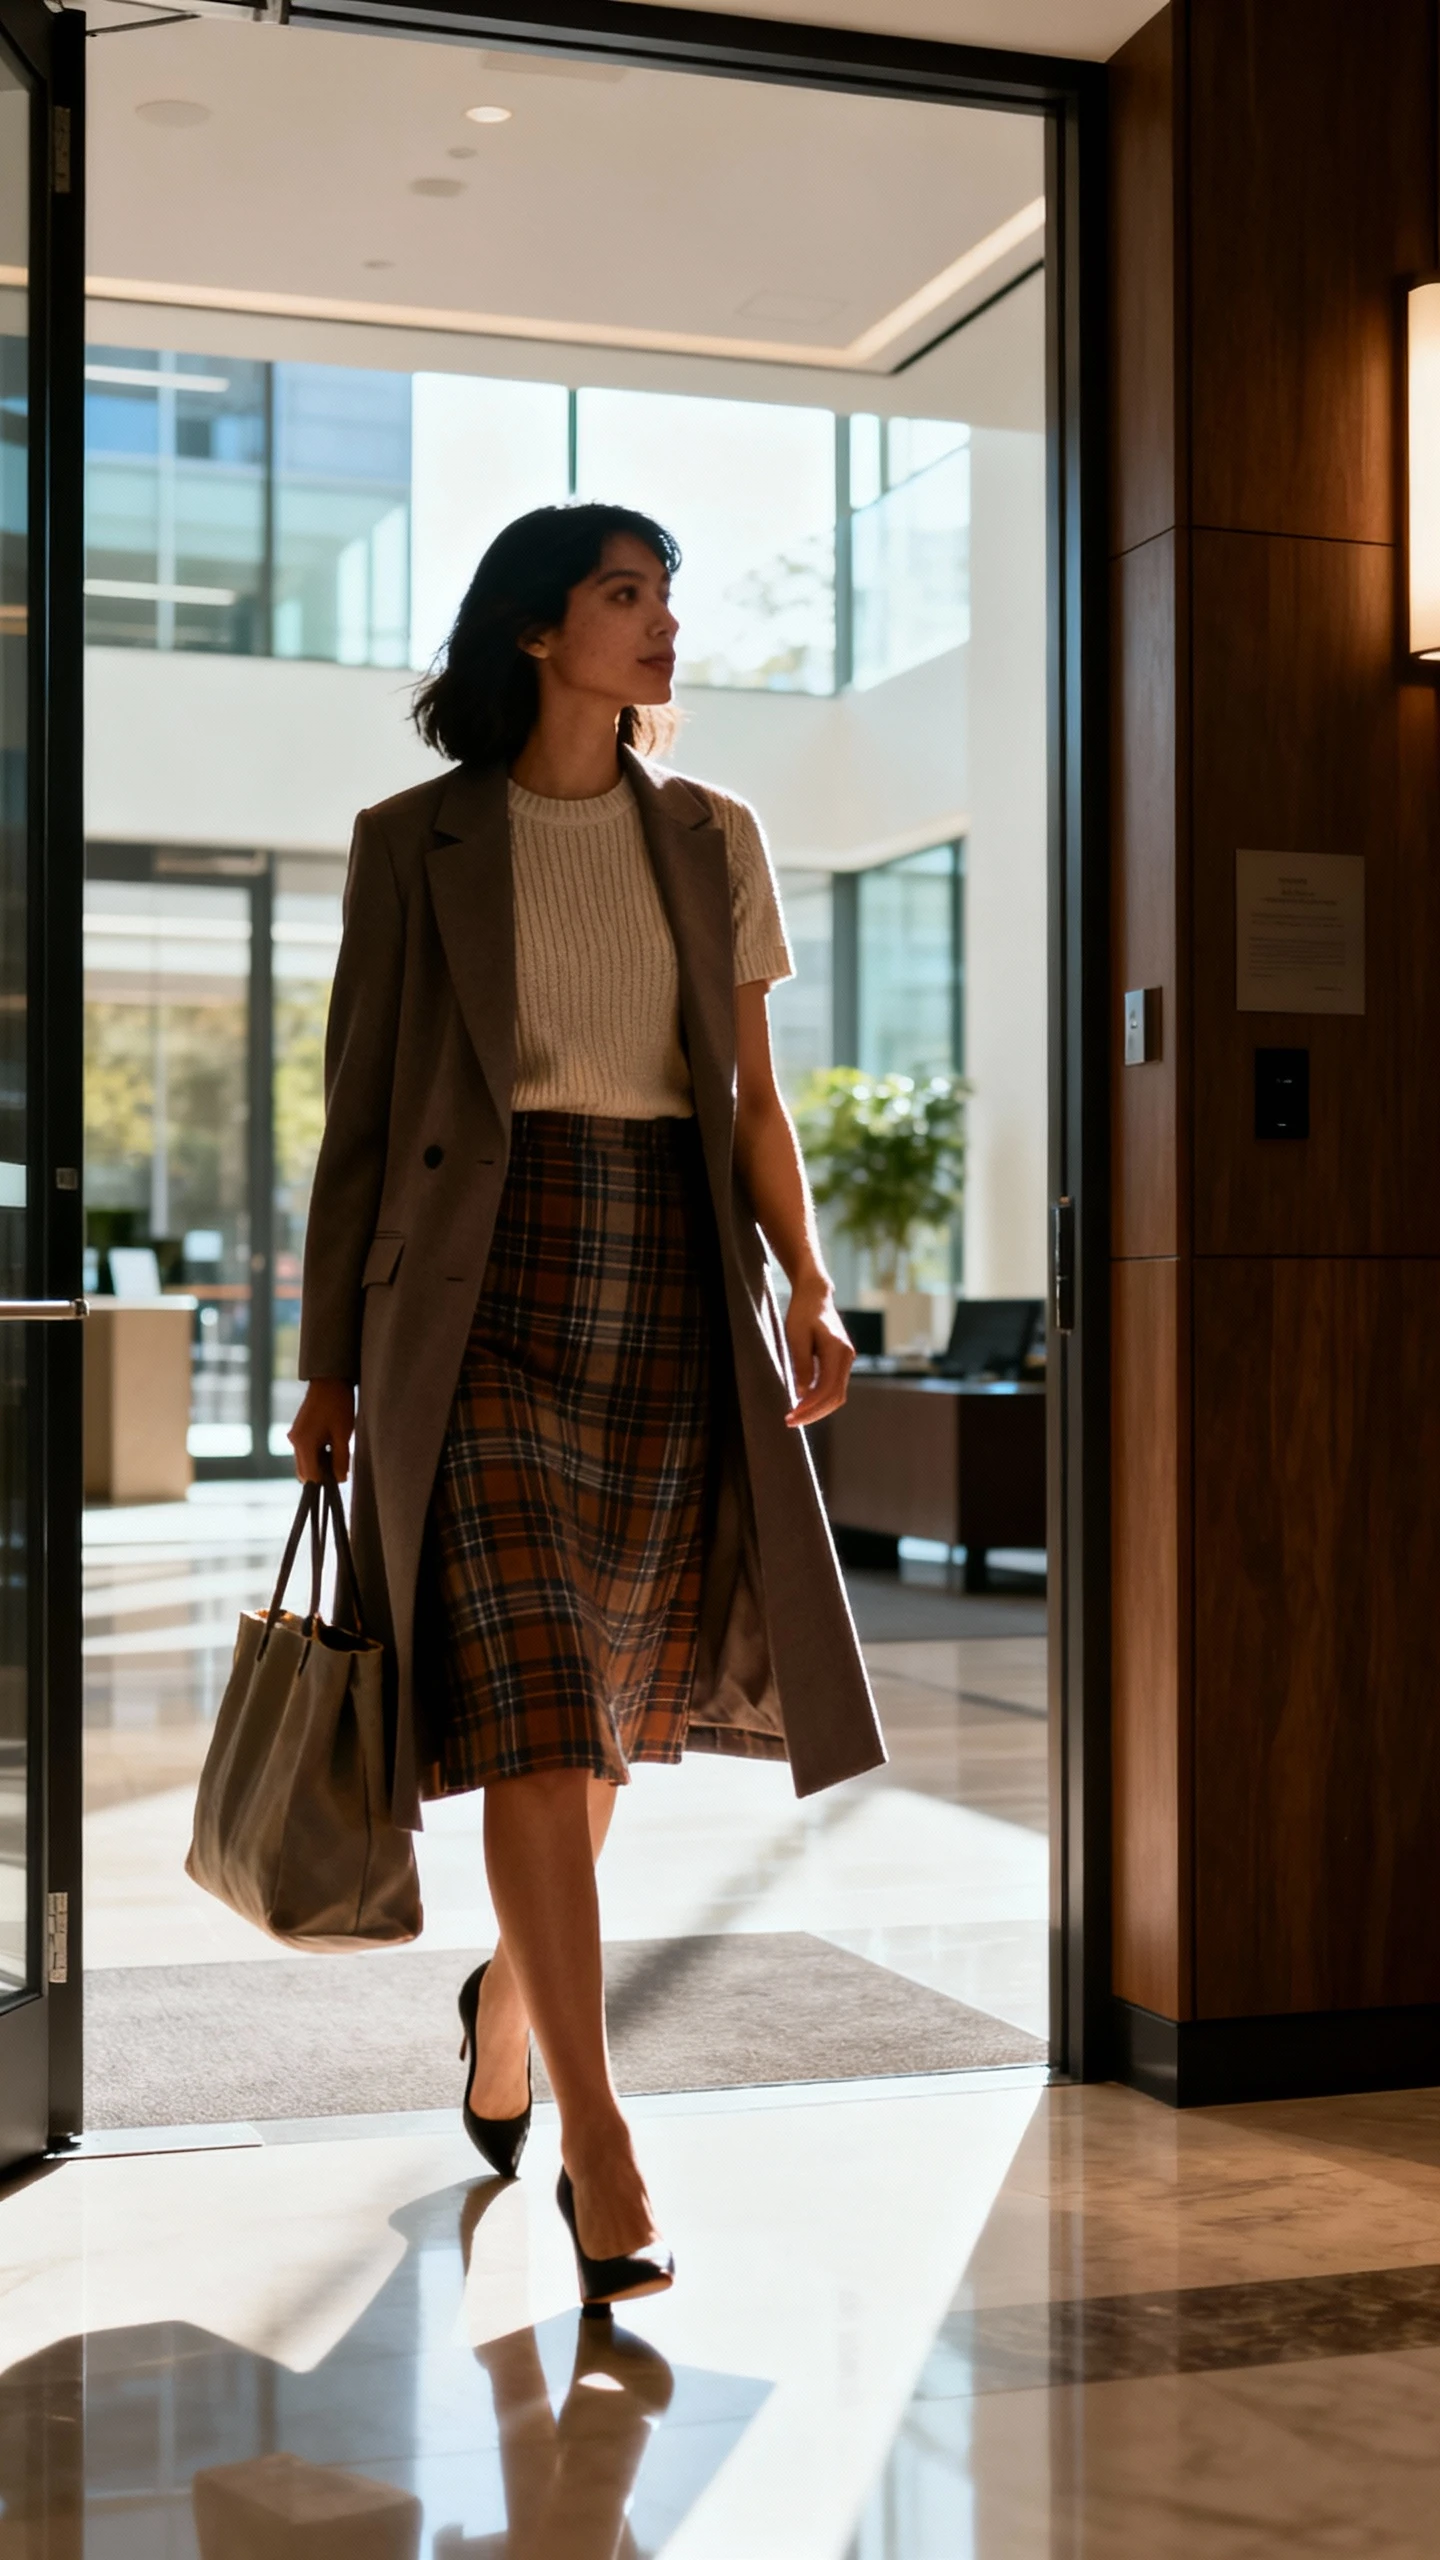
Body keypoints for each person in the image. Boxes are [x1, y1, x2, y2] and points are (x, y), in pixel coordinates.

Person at [290, 502, 884, 2311]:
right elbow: (362, 1117)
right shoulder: (417, 843)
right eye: (628, 597)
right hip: (469, 1302)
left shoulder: (715, 837)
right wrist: (326, 1365)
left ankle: (505, 2016)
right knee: (542, 1711)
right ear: (538, 632)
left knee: (603, 1711)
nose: (666, 627)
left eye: (671, 598)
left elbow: (753, 1100)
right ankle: (603, 2152)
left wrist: (813, 1277)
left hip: (665, 1285)